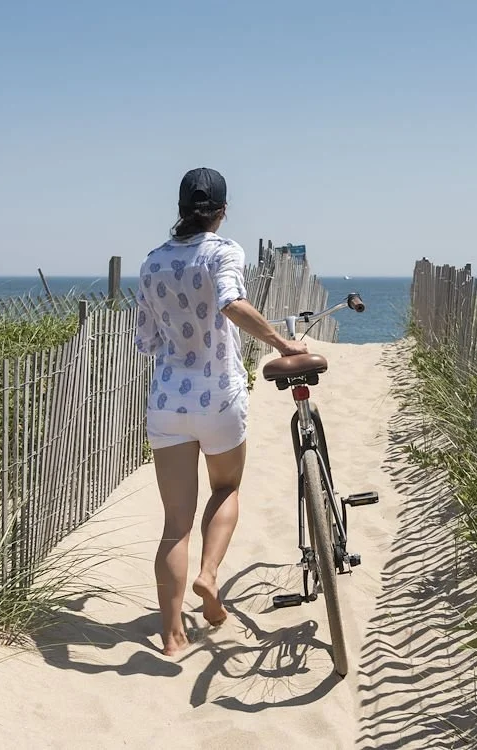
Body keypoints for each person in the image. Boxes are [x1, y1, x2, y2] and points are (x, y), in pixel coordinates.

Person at [134, 167, 308, 656]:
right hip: (219, 396)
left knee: (175, 525)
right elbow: (231, 302)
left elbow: (146, 340)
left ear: (180, 210)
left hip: (168, 402)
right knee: (226, 488)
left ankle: (171, 637)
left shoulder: (151, 263)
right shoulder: (223, 251)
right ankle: (209, 576)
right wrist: (279, 341)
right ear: (223, 210)